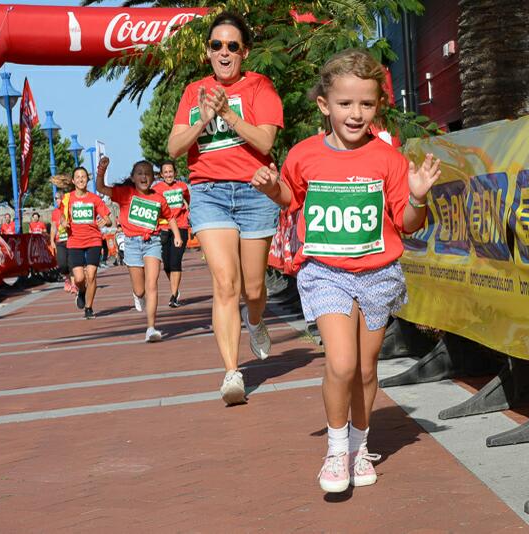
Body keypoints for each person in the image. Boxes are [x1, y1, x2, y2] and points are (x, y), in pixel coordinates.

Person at [251, 49, 441, 493]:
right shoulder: (304, 155)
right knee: (341, 362)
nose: (356, 114)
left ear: (378, 106)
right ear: (325, 105)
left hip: (378, 274)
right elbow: (290, 198)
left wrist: (417, 197)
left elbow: (409, 224)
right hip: (325, 272)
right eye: (345, 104)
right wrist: (271, 186)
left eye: (366, 104)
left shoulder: (389, 160)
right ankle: (336, 450)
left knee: (367, 370)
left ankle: (360, 445)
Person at [168, 11, 283, 405]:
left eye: (232, 45)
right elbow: (174, 147)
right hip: (209, 193)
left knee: (253, 288)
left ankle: (256, 320)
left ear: (244, 52)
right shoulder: (193, 91)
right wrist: (203, 118)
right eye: (217, 45)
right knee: (225, 283)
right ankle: (232, 373)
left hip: (254, 193)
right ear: (208, 52)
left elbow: (266, 143)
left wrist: (230, 115)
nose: (224, 52)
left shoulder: (260, 86)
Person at [96, 156, 182, 342]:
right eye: (140, 174)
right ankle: (137, 295)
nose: (144, 177)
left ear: (154, 178)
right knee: (141, 289)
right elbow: (101, 188)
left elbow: (171, 217)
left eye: (148, 174)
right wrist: (101, 171)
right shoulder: (125, 193)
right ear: (133, 177)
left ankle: (151, 327)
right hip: (132, 243)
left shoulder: (159, 198)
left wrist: (176, 236)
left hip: (153, 241)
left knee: (152, 285)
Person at [61, 167, 112, 319]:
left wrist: (106, 222)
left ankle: (89, 308)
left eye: (83, 176)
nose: (81, 179)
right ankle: (81, 291)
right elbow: (62, 218)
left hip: (93, 240)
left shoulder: (95, 199)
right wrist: (64, 223)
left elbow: (108, 219)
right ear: (73, 181)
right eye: (78, 177)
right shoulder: (67, 198)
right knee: (79, 279)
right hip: (75, 241)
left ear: (87, 180)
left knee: (91, 275)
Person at [153, 160, 190, 307]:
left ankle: (174, 295)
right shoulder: (156, 188)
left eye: (171, 171)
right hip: (163, 229)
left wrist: (186, 211)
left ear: (175, 173)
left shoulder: (182, 186)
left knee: (175, 262)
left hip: (180, 227)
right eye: (165, 172)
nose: (168, 174)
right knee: (167, 265)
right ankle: (175, 288)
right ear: (161, 174)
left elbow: (187, 200)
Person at [50, 188, 77, 294]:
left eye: (58, 198)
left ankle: (74, 284)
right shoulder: (55, 212)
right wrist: (51, 240)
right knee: (62, 264)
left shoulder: (69, 210)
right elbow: (53, 226)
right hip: (60, 241)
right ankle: (67, 279)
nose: (56, 200)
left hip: (71, 240)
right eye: (55, 198)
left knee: (72, 264)